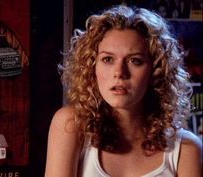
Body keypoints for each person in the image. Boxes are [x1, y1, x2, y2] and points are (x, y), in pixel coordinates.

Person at [44, 5, 202, 177]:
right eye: (108, 59)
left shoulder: (185, 149)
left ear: (155, 71)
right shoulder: (70, 125)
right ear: (92, 67)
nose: (119, 72)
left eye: (135, 61)